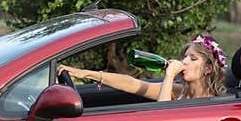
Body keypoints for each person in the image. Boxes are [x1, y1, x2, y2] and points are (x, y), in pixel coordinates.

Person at [58, 35, 227, 101]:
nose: (184, 62)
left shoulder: (209, 101)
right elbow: (131, 84)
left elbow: (163, 116)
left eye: (193, 59)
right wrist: (85, 73)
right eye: (184, 57)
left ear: (208, 69)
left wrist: (168, 76)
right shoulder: (179, 91)